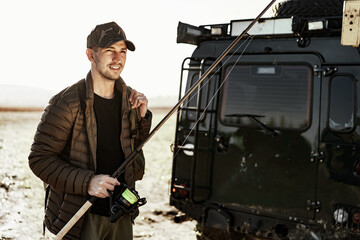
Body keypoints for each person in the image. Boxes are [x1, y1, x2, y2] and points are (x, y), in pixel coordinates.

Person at [28, 21, 152, 240]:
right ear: (90, 55)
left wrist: (142, 120)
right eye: (109, 51)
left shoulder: (130, 100)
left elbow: (132, 152)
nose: (118, 58)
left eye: (122, 51)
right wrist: (88, 182)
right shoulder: (66, 103)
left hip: (121, 214)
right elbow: (39, 159)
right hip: (80, 218)